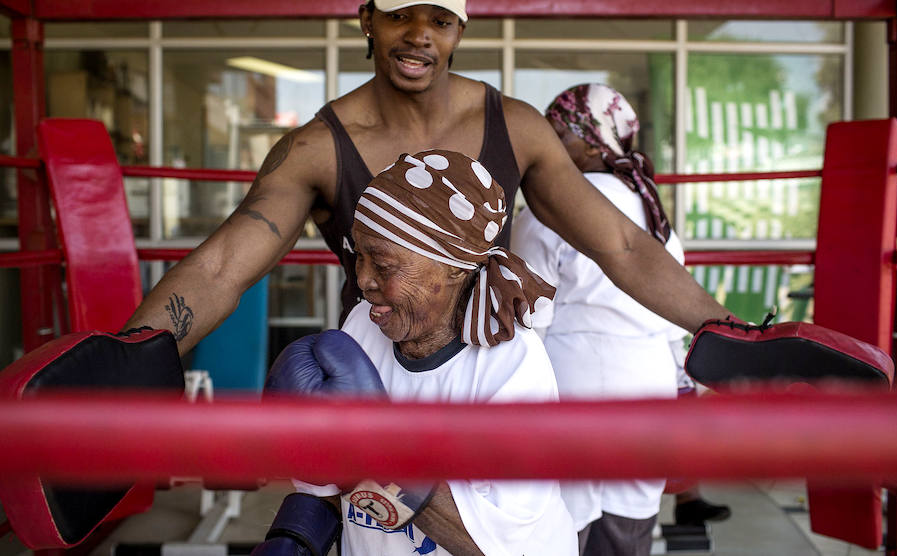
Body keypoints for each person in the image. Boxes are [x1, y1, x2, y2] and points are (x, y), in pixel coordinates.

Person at [120, 0, 730, 354]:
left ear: (459, 31)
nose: (419, 35)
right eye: (401, 16)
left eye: (439, 20)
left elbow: (620, 245)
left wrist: (727, 333)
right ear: (367, 21)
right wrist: (129, 361)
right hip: (377, 369)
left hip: (494, 369)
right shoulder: (318, 147)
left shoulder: (513, 127)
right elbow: (220, 268)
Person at [259, 149, 577, 555]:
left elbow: (494, 545)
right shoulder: (362, 324)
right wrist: (297, 535)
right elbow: (334, 476)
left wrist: (376, 449)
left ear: (455, 268)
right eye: (360, 256)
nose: (363, 279)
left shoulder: (512, 364)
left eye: (385, 266)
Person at [509, 83, 726, 555]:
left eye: (556, 132)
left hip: (572, 375)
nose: (545, 142)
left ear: (590, 139)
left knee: (562, 524)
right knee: (631, 521)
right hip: (647, 378)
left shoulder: (553, 204)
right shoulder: (649, 205)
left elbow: (528, 314)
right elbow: (673, 307)